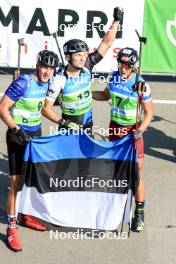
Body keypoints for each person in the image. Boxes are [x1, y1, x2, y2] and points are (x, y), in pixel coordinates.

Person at [0, 50, 59, 251]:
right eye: (44, 67)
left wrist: (63, 120)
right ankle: (11, 228)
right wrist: (16, 129)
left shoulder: (47, 84)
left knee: (30, 179)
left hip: (35, 135)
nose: (47, 72)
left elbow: (43, 108)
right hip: (17, 135)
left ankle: (24, 215)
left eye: (51, 69)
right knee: (15, 183)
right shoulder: (23, 83)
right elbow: (2, 108)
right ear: (37, 65)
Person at [92, 47, 153, 232]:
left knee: (136, 171)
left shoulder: (142, 84)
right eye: (121, 64)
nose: (123, 69)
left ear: (133, 66)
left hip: (132, 131)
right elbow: (105, 95)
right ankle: (116, 208)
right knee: (116, 170)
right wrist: (88, 94)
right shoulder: (113, 77)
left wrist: (140, 130)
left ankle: (140, 212)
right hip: (114, 129)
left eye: (127, 65)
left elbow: (149, 113)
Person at [42, 7, 123, 134]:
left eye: (85, 54)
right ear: (68, 57)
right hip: (68, 129)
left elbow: (106, 43)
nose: (83, 58)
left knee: (89, 154)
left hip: (88, 127)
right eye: (78, 55)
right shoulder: (59, 79)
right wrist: (62, 122)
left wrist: (116, 21)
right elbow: (46, 109)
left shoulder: (87, 65)